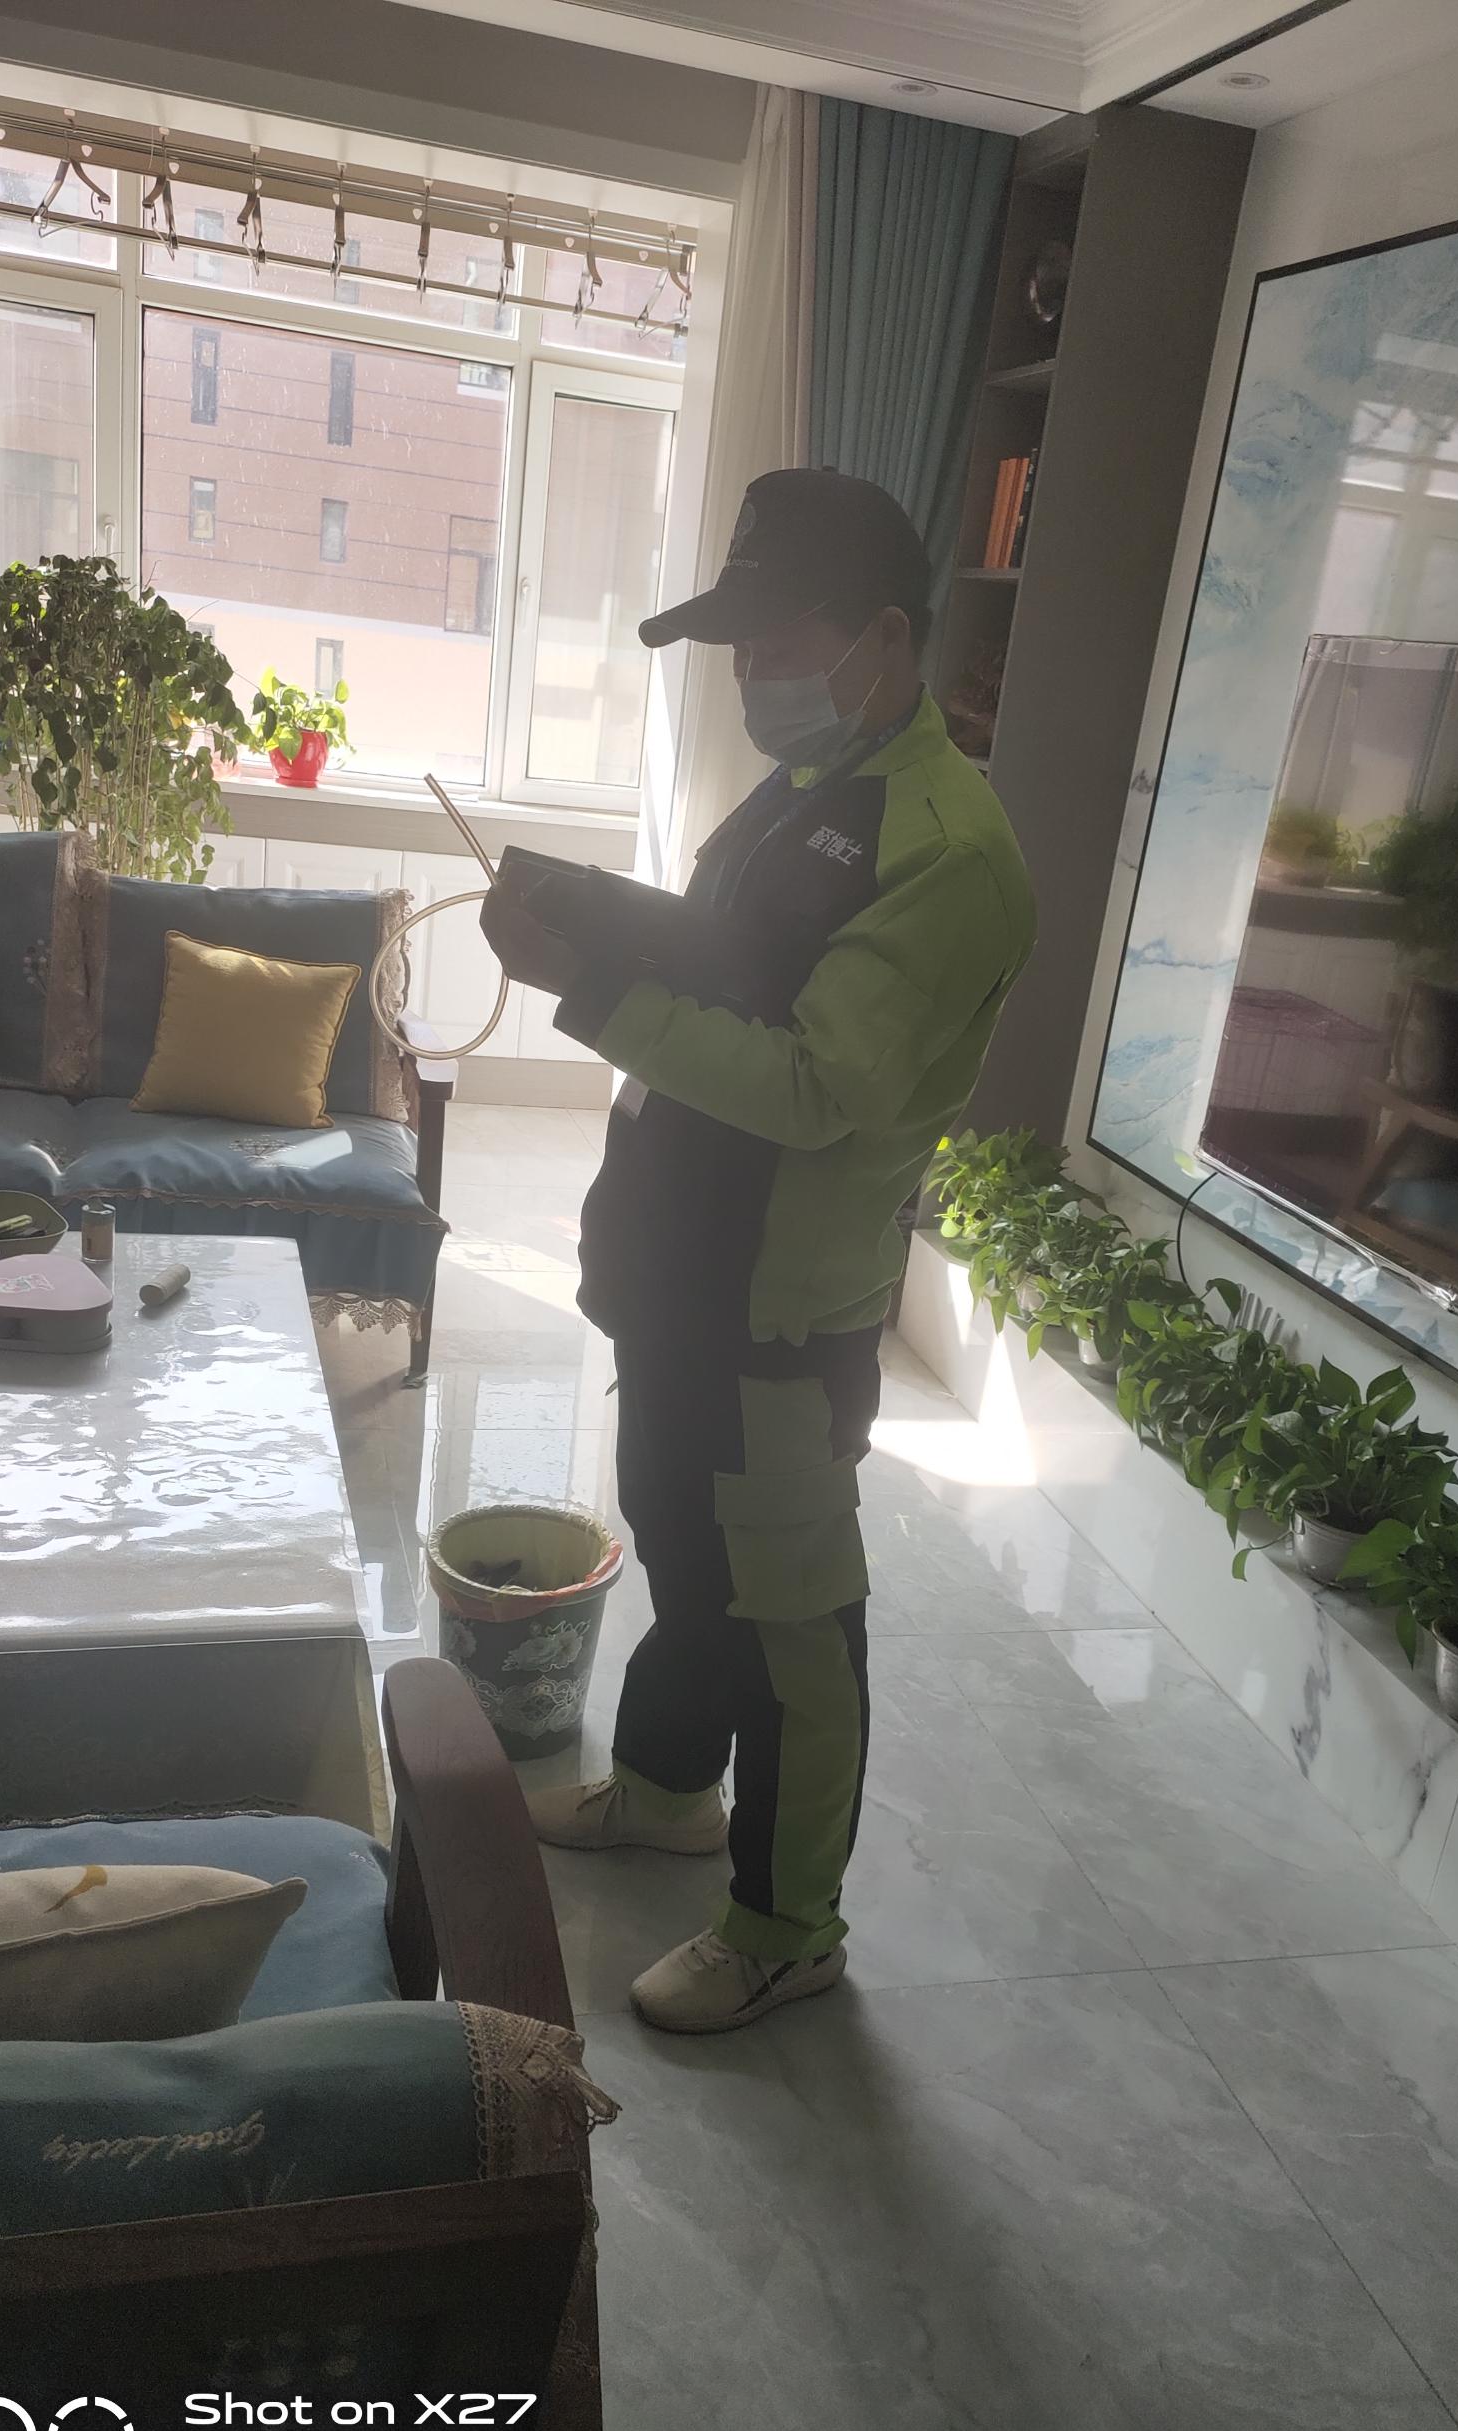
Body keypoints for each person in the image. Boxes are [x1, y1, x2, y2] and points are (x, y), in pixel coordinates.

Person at [479, 468, 1033, 2034]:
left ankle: (790, 1927)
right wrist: (603, 917)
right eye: (736, 648)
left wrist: (590, 990)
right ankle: (668, 1790)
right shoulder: (808, 788)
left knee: (792, 1622)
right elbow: (734, 958)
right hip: (680, 1271)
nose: (750, 676)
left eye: (777, 642)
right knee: (686, 1547)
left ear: (883, 638)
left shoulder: (945, 850)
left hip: (776, 1304)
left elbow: (812, 1085)